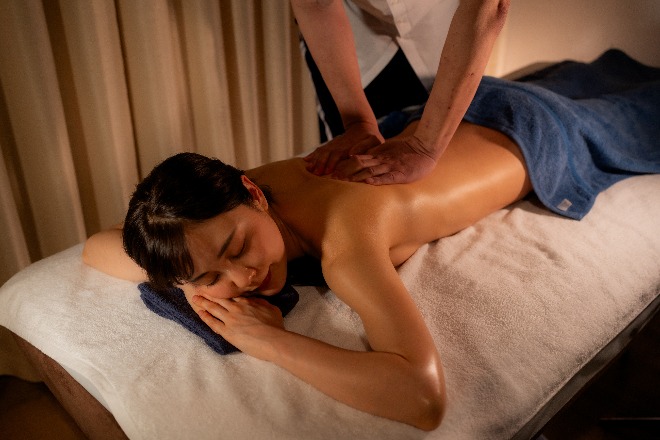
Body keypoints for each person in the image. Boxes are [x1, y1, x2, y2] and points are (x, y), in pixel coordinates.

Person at [82, 50, 660, 430]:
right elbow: (95, 246)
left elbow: (422, 398)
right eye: (211, 276)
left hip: (537, 131)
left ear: (253, 193)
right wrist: (191, 282)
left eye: (237, 250)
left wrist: (272, 343)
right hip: (434, 116)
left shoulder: (346, 242)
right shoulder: (220, 197)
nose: (242, 278)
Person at [291, 0, 510, 184]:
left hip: (450, 24)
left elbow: (489, 6)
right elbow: (316, 3)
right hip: (349, 28)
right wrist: (358, 123)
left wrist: (425, 147)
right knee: (350, 170)